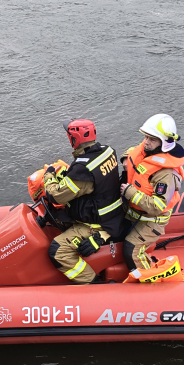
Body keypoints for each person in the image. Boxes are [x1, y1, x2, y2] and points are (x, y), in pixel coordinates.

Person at [43, 119, 126, 283]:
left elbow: (56, 196)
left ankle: (93, 283)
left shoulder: (83, 170)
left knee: (57, 250)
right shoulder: (108, 151)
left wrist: (49, 177)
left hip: (97, 224)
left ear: (74, 139)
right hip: (112, 213)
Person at [120, 114, 184, 272]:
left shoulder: (165, 174)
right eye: (146, 137)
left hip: (151, 220)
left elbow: (157, 206)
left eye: (152, 139)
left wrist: (131, 193)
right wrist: (125, 159)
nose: (147, 141)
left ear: (164, 143)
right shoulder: (149, 148)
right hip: (133, 212)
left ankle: (148, 279)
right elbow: (134, 151)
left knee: (130, 249)